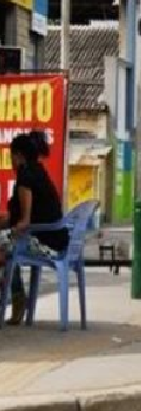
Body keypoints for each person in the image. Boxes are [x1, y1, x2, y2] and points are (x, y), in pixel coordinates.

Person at [0, 131, 67, 326]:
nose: (11, 161)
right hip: (54, 238)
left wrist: (11, 229)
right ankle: (16, 296)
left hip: (45, 242)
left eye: (11, 156)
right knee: (6, 247)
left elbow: (24, 221)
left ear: (19, 156)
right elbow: (14, 218)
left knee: (4, 249)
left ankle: (16, 297)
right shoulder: (38, 171)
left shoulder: (25, 177)